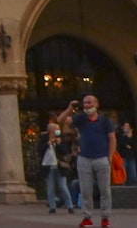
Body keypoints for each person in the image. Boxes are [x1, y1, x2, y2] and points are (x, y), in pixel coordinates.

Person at [64, 95, 117, 227]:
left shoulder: (105, 121)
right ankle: (87, 217)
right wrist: (70, 108)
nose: (87, 105)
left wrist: (109, 157)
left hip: (101, 158)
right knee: (85, 190)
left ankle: (105, 217)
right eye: (85, 103)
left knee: (105, 190)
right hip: (84, 158)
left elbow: (112, 139)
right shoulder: (81, 119)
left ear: (96, 104)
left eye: (90, 102)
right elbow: (63, 120)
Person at [45, 123, 80, 214]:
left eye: (58, 129)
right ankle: (52, 206)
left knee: (63, 186)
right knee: (51, 187)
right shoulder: (44, 138)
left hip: (59, 165)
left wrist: (59, 143)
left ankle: (70, 206)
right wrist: (48, 144)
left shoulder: (61, 139)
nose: (57, 131)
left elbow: (65, 151)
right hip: (49, 165)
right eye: (55, 129)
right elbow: (40, 150)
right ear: (50, 130)